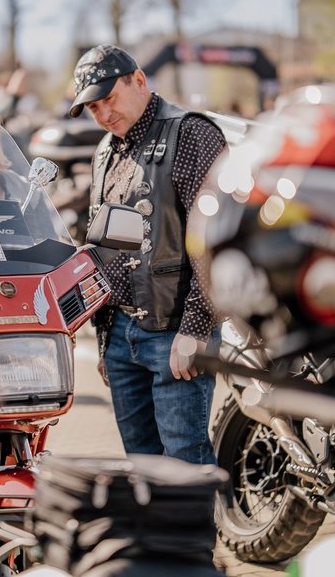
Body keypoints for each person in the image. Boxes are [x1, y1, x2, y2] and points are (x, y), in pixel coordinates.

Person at [69, 44, 226, 464]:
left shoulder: (192, 133)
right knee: (143, 470)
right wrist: (105, 345)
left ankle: (194, 535)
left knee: (184, 464)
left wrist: (195, 328)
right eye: (93, 108)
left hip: (176, 330)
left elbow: (214, 240)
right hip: (121, 336)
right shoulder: (104, 150)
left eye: (109, 99)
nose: (102, 114)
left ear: (138, 80)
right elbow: (101, 252)